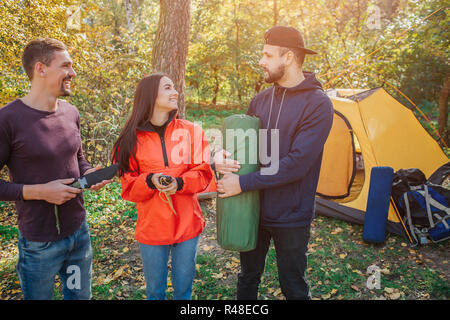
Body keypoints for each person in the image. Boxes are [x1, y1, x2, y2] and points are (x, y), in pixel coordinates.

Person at [217, 26, 334, 300]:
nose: (261, 61)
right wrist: (221, 157)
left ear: (289, 57)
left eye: (268, 55)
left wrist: (242, 183)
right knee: (247, 278)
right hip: (253, 210)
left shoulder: (318, 104)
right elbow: (241, 147)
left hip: (291, 215)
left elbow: (297, 164)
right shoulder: (260, 100)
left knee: (292, 285)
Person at [0, 38, 110, 300]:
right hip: (39, 245)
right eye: (66, 66)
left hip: (78, 236)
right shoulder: (7, 119)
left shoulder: (71, 112)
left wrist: (87, 174)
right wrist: (40, 192)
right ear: (41, 69)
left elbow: (78, 157)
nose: (72, 73)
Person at [112, 73, 213, 300]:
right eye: (167, 88)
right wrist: (149, 181)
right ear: (150, 96)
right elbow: (128, 187)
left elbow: (204, 173)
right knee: (155, 292)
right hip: (152, 226)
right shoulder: (129, 140)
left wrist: (179, 183)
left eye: (174, 87)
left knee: (183, 292)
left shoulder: (191, 131)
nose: (175, 92)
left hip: (188, 224)